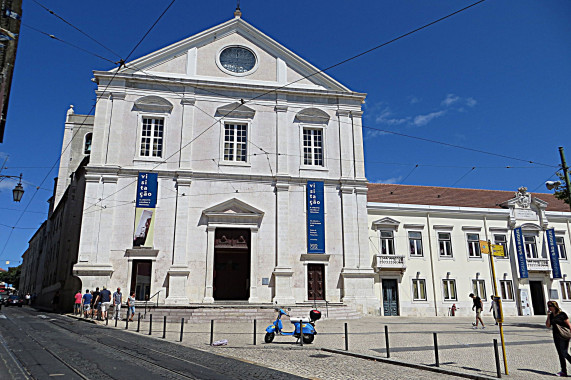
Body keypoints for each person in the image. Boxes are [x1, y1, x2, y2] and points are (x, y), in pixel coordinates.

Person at [546, 300, 571, 377]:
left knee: (564, 352)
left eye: (550, 306)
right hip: (556, 336)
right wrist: (548, 316)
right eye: (548, 306)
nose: (549, 308)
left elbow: (569, 325)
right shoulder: (551, 315)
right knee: (560, 354)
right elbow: (548, 325)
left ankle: (564, 371)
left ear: (555, 306)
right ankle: (563, 371)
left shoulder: (562, 314)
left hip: (564, 336)